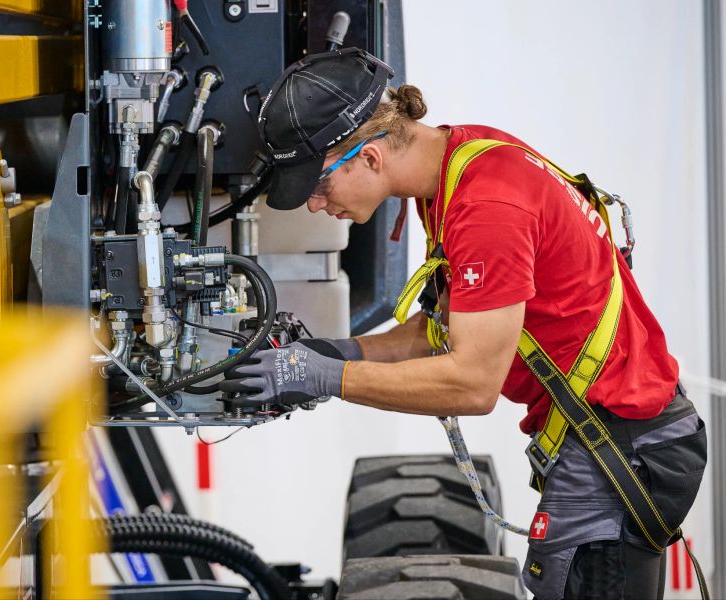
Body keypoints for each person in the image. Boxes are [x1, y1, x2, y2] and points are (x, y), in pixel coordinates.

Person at [220, 48, 708, 599]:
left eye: (319, 184)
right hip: (614, 438)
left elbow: (472, 383)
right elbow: (445, 328)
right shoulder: (458, 166)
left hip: (623, 447)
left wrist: (322, 379)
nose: (313, 205)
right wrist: (341, 353)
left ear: (370, 158)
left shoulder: (486, 206)